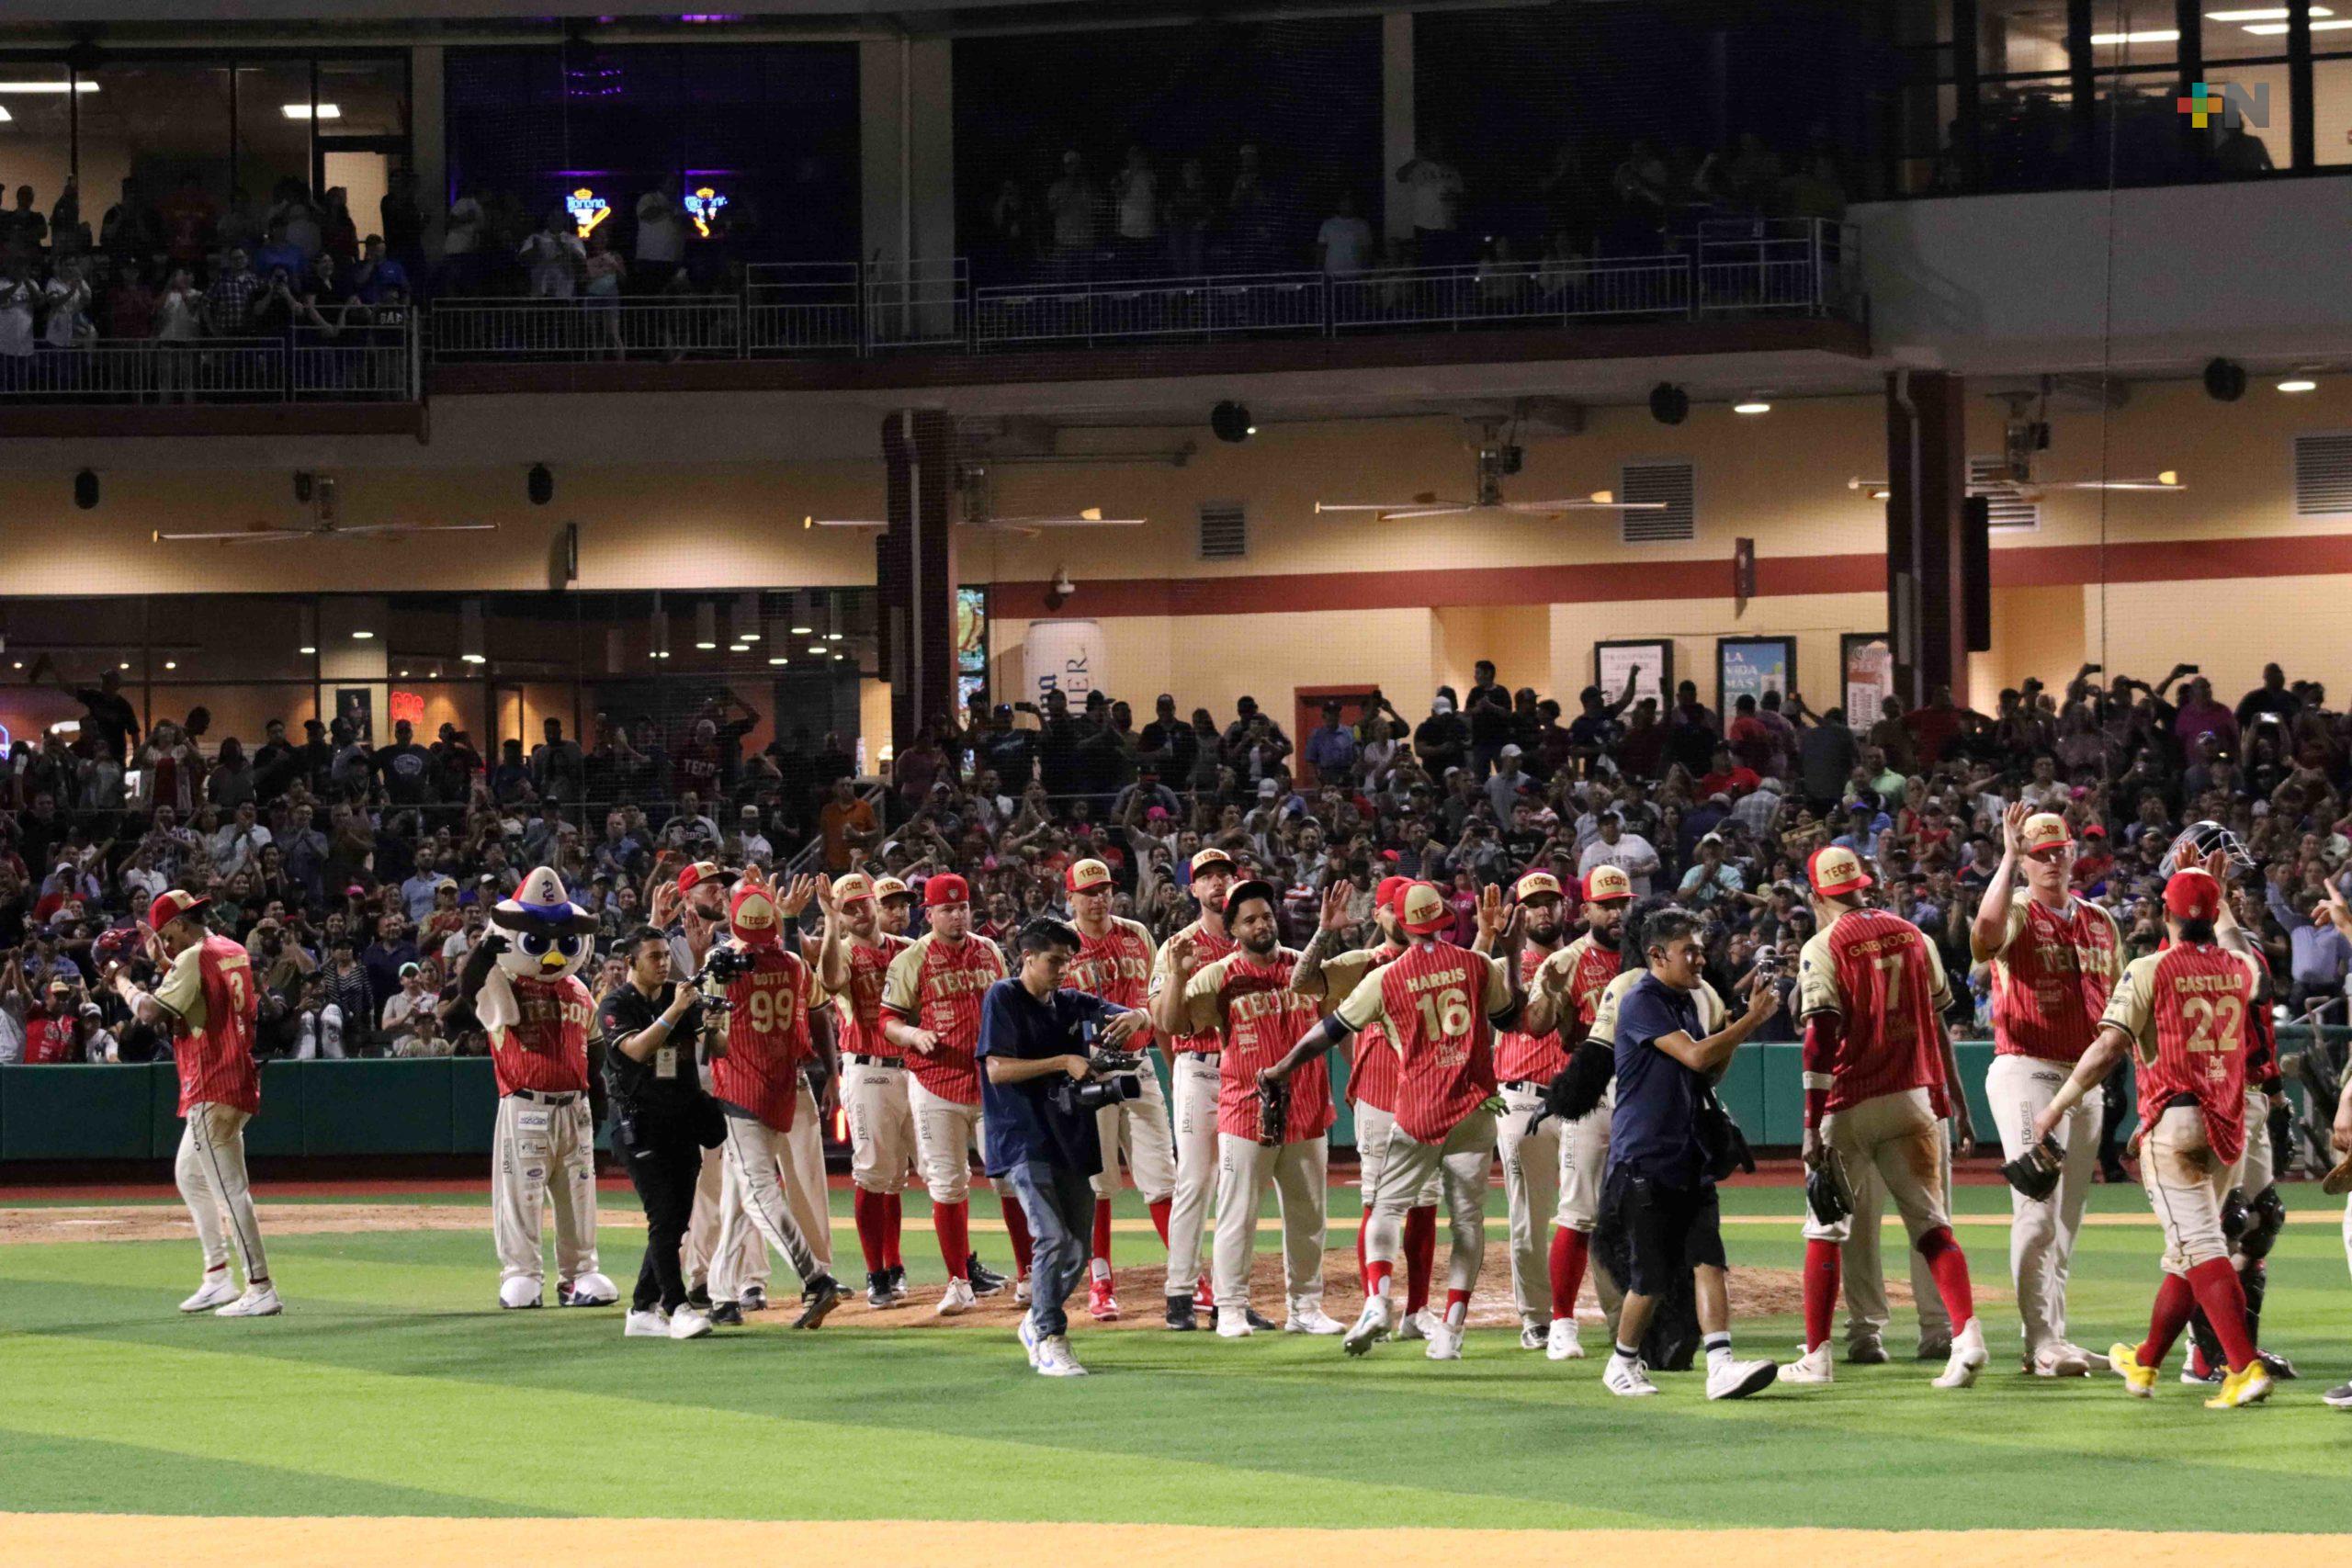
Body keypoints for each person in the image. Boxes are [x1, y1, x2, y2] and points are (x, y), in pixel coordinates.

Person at [2033, 863, 2274, 1409]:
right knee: (2183, 1256)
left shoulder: (2148, 968)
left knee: (2202, 1248)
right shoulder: (2238, 965)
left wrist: (2055, 1106)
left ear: (2165, 912)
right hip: (2228, 1126)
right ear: (2214, 917)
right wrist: (2225, 907)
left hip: (2177, 1122)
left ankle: (2243, 1367)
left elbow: (2106, 1050)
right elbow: (2260, 979)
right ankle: (2144, 1364)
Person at [1272, 881, 1517, 1359]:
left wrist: (1282, 1067)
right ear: (1446, 918)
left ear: (1402, 922)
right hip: (1476, 1108)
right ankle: (1451, 1331)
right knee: (1468, 1223)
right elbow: (1508, 1019)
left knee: (1384, 1207)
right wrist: (1504, 948)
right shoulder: (1478, 963)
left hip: (1420, 1106)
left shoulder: (1387, 975)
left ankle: (1379, 1301)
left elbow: (1328, 1031)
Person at [1784, 845, 1987, 1391]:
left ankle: (1819, 1355)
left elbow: (1819, 1038)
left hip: (1850, 1101)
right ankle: (1967, 1337)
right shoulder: (1914, 936)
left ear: (1815, 895)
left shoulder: (1823, 944)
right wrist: (1956, 1103)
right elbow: (1939, 1021)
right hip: (1914, 1096)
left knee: (1826, 1228)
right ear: (1862, 884)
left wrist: (1809, 1125)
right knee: (1932, 1227)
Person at [1597, 906, 1781, 1400]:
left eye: (1700, 949)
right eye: (1689, 951)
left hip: (1686, 1151)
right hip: (1646, 1155)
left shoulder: (1683, 1001)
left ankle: (1720, 1364)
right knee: (1651, 1277)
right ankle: (1621, 1362)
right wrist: (1752, 1020)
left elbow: (1706, 1071)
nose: (1700, 959)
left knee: (1708, 1260)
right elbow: (1698, 1055)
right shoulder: (1643, 1001)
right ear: (1657, 955)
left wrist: (1738, 1029)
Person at [1969, 806, 2123, 1376]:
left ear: (2073, 854)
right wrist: (2006, 858)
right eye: (2040, 852)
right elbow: (1984, 939)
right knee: (2036, 1208)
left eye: (2059, 850)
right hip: (2028, 1066)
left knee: (2066, 1220)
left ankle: (2054, 1335)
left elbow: (2120, 1002)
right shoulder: (2012, 908)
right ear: (2026, 860)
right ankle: (2039, 1341)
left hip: (2086, 1078)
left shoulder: (2101, 920)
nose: (2053, 860)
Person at [1160, 879, 1338, 1338]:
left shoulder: (1303, 965)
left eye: (1266, 916)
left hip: (1307, 1106)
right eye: (1250, 920)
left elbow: (1337, 1015)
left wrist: (1326, 932)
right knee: (1238, 1213)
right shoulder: (1218, 975)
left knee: (1308, 1216)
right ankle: (1231, 1305)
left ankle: (1305, 1306)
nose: (1261, 924)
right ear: (1233, 929)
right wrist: (1179, 974)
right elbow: (1176, 1025)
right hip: (1245, 1106)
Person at [977, 918, 1151, 1376]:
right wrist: (1065, 1061)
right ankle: (1051, 1335)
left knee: (1077, 1247)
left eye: (1067, 962)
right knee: (1052, 1236)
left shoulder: (1072, 1002)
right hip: (1022, 1136)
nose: (1062, 970)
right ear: (1027, 958)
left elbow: (1129, 1017)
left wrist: (1137, 1016)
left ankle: (1035, 1321)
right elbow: (996, 1069)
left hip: (1070, 1136)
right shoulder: (1004, 996)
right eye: (1054, 961)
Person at [107, 889, 278, 1318]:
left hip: (212, 1081)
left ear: (181, 925)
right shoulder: (231, 948)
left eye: (167, 935)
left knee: (230, 1190)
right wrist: (165, 960)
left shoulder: (192, 958)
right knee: (189, 1173)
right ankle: (218, 1276)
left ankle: (260, 1286)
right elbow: (203, 985)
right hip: (237, 1074)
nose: (166, 945)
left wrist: (121, 982)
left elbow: (148, 1013)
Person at [457, 866, 616, 1312]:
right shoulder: (502, 983)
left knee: (579, 1195)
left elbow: (595, 1052)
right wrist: (481, 956)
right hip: (525, 1104)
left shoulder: (579, 990)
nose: (551, 954)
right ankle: (522, 1274)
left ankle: (580, 1273)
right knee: (520, 1196)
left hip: (575, 1106)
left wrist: (598, 1102)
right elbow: (467, 990)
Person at [1289, 875, 1439, 1335]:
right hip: (1379, 1093)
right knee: (1377, 1199)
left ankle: (1416, 1312)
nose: (1402, 914)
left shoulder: (1437, 961)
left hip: (1427, 1096)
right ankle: (1377, 1302)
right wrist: (1325, 931)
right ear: (1378, 914)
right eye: (1393, 907)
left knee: (1426, 1203)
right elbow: (1302, 982)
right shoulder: (1363, 962)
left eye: (1407, 906)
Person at [702, 875, 847, 1330]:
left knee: (758, 1190)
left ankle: (815, 1277)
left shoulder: (723, 962)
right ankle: (722, 1294)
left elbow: (714, 1040)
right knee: (737, 1201)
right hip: (784, 1083)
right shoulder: (793, 965)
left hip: (743, 1087)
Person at [882, 873, 1023, 1314]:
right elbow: (887, 1020)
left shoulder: (990, 951)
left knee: (1010, 1180)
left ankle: (1031, 1275)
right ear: (929, 913)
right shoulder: (911, 959)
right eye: (947, 908)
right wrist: (912, 1036)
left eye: (962, 907)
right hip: (935, 1082)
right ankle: (958, 1282)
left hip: (989, 1084)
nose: (957, 915)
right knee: (946, 1185)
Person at [1517, 863, 1638, 1359]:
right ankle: (1562, 1322)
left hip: (1640, 1093)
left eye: (1621, 903)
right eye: (1605, 904)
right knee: (1578, 1212)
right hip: (1591, 1093)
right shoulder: (1567, 959)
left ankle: (1626, 1322)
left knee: (1632, 1214)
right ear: (1584, 908)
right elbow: (1537, 1026)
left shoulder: (1645, 953)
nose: (1615, 912)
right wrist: (1548, 991)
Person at [1058, 856, 1176, 1322]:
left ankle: (1186, 1275)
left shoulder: (1136, 934)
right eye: (1087, 892)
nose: (1098, 897)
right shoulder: (1061, 943)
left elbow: (1155, 995)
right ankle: (1100, 1281)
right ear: (1070, 898)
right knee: (1098, 1184)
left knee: (1163, 1177)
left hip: (1139, 1065)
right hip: (1089, 1072)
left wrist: (1146, 1022)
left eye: (1104, 888)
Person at [600, 924, 722, 1339]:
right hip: (641, 1125)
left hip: (682, 1119)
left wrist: (715, 1024)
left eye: (666, 955)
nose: (663, 962)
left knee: (676, 1221)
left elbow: (716, 1049)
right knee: (663, 1215)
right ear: (632, 962)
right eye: (654, 956)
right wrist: (675, 1009)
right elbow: (636, 1050)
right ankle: (677, 1305)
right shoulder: (618, 1003)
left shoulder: (679, 995)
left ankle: (641, 1310)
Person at [828, 873, 919, 1305]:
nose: (861, 912)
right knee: (872, 1173)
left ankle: (895, 1264)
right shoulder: (841, 951)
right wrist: (829, 926)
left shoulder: (907, 949)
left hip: (915, 1068)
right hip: (869, 1067)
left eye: (864, 903)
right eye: (850, 908)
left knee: (903, 1176)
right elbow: (829, 981)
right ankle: (874, 1273)